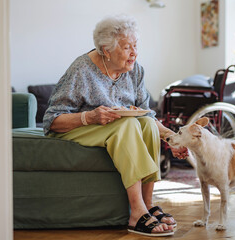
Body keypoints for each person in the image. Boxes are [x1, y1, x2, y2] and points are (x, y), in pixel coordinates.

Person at [43, 15, 188, 237]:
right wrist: (89, 117)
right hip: (76, 129)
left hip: (116, 130)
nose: (134, 53)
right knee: (128, 125)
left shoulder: (135, 70)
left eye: (135, 46)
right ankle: (136, 213)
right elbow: (52, 120)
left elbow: (147, 113)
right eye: (126, 47)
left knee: (147, 125)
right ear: (106, 50)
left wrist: (171, 138)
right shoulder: (82, 70)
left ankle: (148, 206)